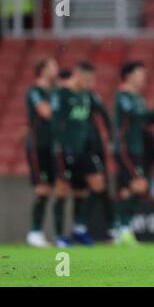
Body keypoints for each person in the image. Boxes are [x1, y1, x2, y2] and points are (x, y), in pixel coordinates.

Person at [113, 61, 154, 246]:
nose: (143, 77)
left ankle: (120, 229)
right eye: (140, 73)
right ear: (129, 75)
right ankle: (122, 228)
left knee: (130, 189)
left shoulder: (137, 97)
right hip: (125, 148)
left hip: (136, 148)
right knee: (138, 185)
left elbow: (146, 120)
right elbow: (139, 117)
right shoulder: (123, 96)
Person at [51, 62, 110, 247]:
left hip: (85, 149)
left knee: (92, 186)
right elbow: (54, 121)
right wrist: (60, 145)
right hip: (65, 148)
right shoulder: (61, 94)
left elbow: (103, 113)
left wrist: (109, 135)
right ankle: (60, 235)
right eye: (87, 78)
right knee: (62, 191)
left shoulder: (86, 95)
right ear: (77, 74)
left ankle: (79, 228)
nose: (90, 82)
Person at [25, 57, 58, 247]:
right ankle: (35, 231)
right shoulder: (34, 91)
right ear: (43, 69)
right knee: (42, 188)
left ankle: (40, 232)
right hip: (38, 146)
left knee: (50, 188)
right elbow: (45, 112)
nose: (56, 70)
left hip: (51, 146)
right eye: (53, 66)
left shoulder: (52, 92)